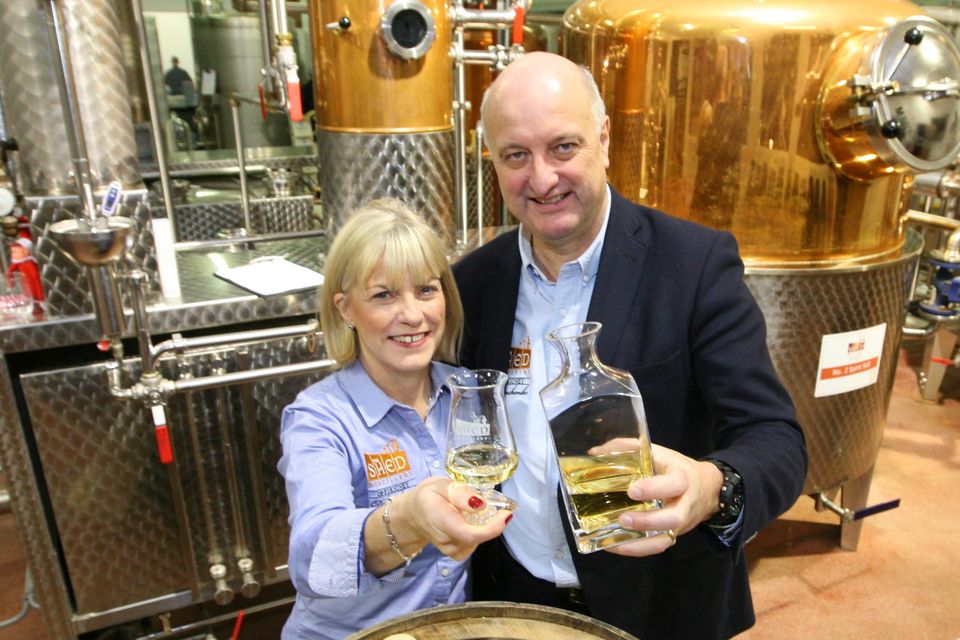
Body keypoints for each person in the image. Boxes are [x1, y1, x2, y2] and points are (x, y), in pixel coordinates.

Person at [452, 52, 808, 640]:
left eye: (563, 147)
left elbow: (777, 440)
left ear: (604, 138)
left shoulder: (692, 266)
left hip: (659, 607)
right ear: (492, 160)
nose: (541, 179)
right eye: (516, 155)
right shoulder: (474, 284)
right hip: (513, 602)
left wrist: (708, 488)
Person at [278, 198, 513, 639]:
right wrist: (408, 519)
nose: (412, 314)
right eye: (383, 295)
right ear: (345, 308)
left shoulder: (467, 393)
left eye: (426, 289)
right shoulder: (319, 417)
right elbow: (313, 562)